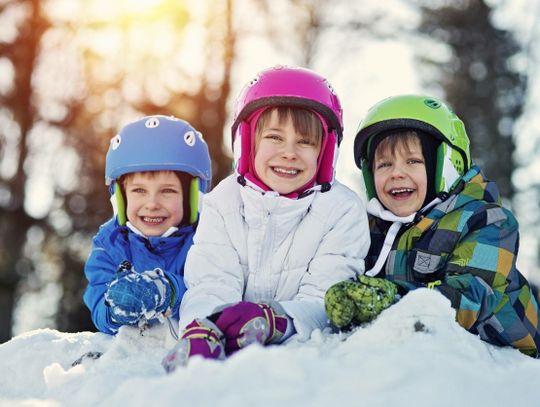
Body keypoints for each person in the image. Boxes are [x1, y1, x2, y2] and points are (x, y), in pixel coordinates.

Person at [162, 66, 370, 371]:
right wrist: (203, 326)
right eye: (274, 137)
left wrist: (277, 319)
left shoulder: (342, 211)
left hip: (305, 365)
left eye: (305, 142)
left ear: (326, 153)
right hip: (230, 348)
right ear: (246, 143)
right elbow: (211, 280)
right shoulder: (224, 201)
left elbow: (324, 297)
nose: (289, 153)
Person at [325, 94, 540, 357]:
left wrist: (391, 298)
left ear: (446, 166)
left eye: (413, 161)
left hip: (503, 359)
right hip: (413, 352)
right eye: (384, 164)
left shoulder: (487, 221)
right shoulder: (368, 228)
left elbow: (473, 296)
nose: (396, 173)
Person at [83, 115, 211, 335]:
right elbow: (97, 304)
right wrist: (114, 309)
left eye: (167, 191)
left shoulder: (206, 240)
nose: (152, 204)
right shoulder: (110, 245)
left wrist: (167, 290)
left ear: (191, 198)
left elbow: (209, 291)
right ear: (120, 199)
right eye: (139, 191)